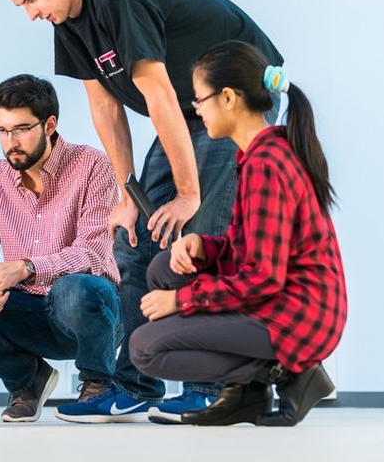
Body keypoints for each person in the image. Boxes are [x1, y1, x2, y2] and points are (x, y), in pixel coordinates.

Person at [0, 0, 284, 422]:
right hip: (190, 112)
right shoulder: (69, 23)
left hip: (237, 94)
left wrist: (189, 193)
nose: (32, 13)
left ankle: (211, 387)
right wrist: (129, 194)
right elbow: (105, 107)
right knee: (132, 239)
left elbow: (159, 94)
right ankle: (135, 384)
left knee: (200, 234)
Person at [129, 40, 347, 426]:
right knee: (166, 267)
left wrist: (181, 302)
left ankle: (286, 374)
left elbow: (262, 277)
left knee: (145, 348)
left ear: (228, 98)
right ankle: (247, 394)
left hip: (296, 316)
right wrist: (205, 247)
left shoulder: (267, 164)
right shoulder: (259, 154)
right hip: (281, 301)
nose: (197, 109)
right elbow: (248, 250)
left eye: (200, 99)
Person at [0, 74, 122, 423]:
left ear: (50, 124)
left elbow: (94, 254)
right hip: (29, 314)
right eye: (1, 130)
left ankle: (98, 384)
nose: (10, 141)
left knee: (73, 288)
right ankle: (28, 380)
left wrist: (26, 267)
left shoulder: (92, 165)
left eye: (20, 129)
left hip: (90, 312)